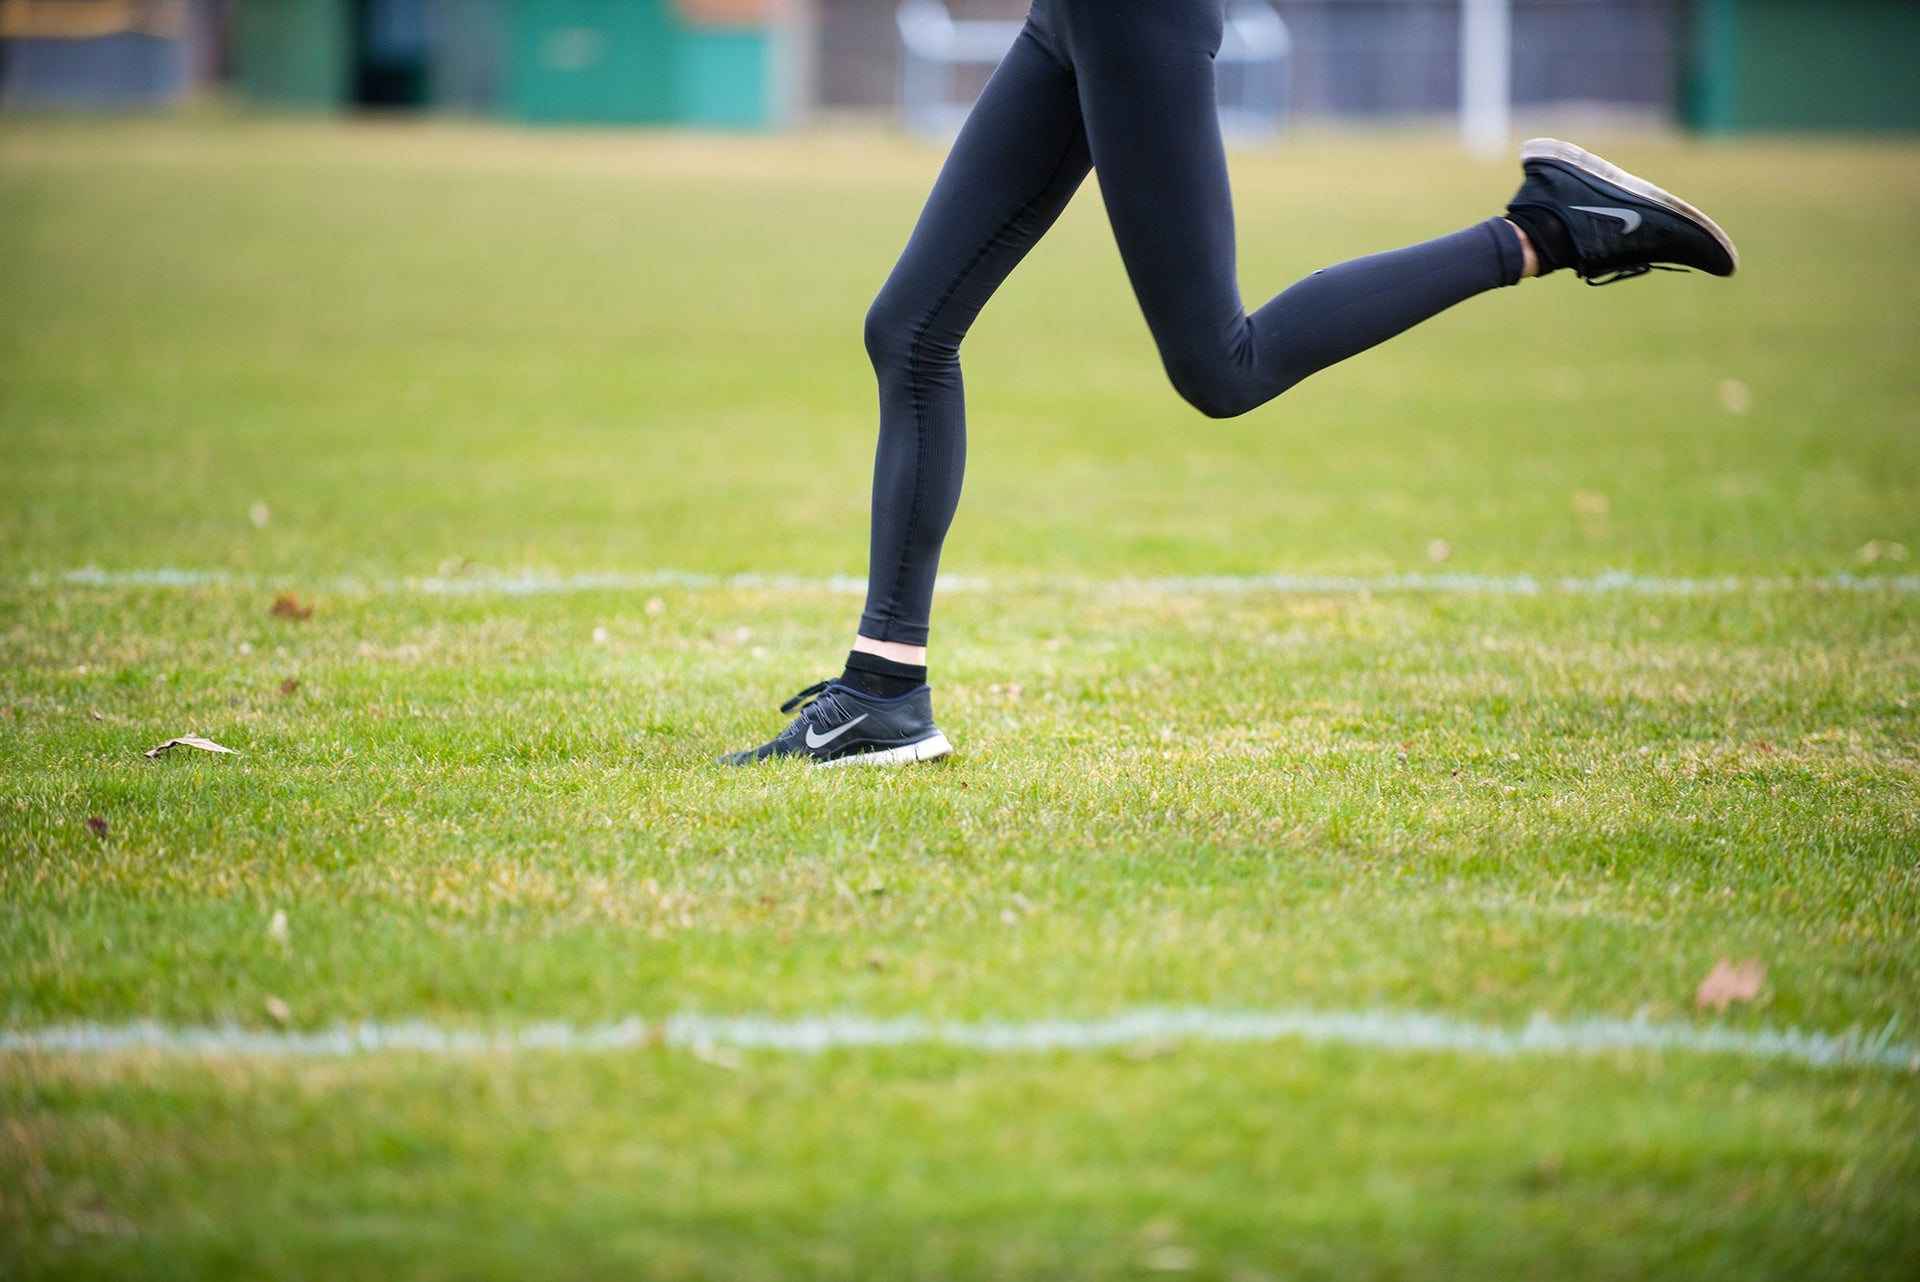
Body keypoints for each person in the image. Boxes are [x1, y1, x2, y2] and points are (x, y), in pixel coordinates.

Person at [723, 0, 1736, 766]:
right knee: (909, 327)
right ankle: (885, 691)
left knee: (1221, 365)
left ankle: (1550, 229)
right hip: (1071, 15)